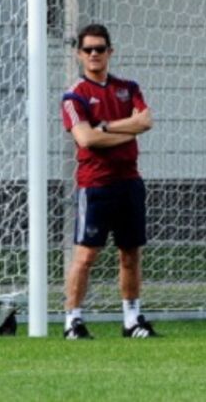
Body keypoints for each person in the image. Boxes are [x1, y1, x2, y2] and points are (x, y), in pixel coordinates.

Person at [60, 23, 157, 339]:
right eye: (87, 49)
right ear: (79, 54)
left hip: (129, 181)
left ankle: (132, 320)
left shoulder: (127, 88)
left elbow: (146, 121)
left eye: (99, 49)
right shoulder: (74, 97)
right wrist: (124, 129)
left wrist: (104, 128)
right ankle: (73, 321)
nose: (93, 55)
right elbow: (85, 139)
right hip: (96, 184)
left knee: (130, 253)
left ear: (110, 52)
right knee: (86, 254)